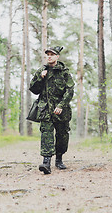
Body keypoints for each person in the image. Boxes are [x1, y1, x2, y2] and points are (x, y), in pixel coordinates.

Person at [29, 46, 75, 174]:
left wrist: (61, 105)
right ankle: (46, 163)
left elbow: (70, 90)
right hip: (45, 108)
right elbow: (34, 89)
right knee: (46, 134)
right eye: (48, 54)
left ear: (57, 56)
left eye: (52, 54)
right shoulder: (41, 71)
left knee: (62, 135)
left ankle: (59, 159)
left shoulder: (64, 72)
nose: (49, 56)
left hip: (61, 109)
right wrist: (40, 78)